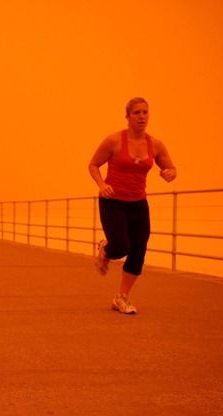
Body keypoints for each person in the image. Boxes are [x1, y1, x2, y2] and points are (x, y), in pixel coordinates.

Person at [88, 97, 177, 314]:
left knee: (139, 249)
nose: (141, 117)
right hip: (113, 201)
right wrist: (101, 184)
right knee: (121, 247)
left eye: (145, 112)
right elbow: (93, 165)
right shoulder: (114, 141)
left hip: (138, 203)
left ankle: (122, 297)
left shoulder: (155, 144)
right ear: (127, 116)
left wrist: (169, 173)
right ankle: (106, 248)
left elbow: (171, 168)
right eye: (136, 113)